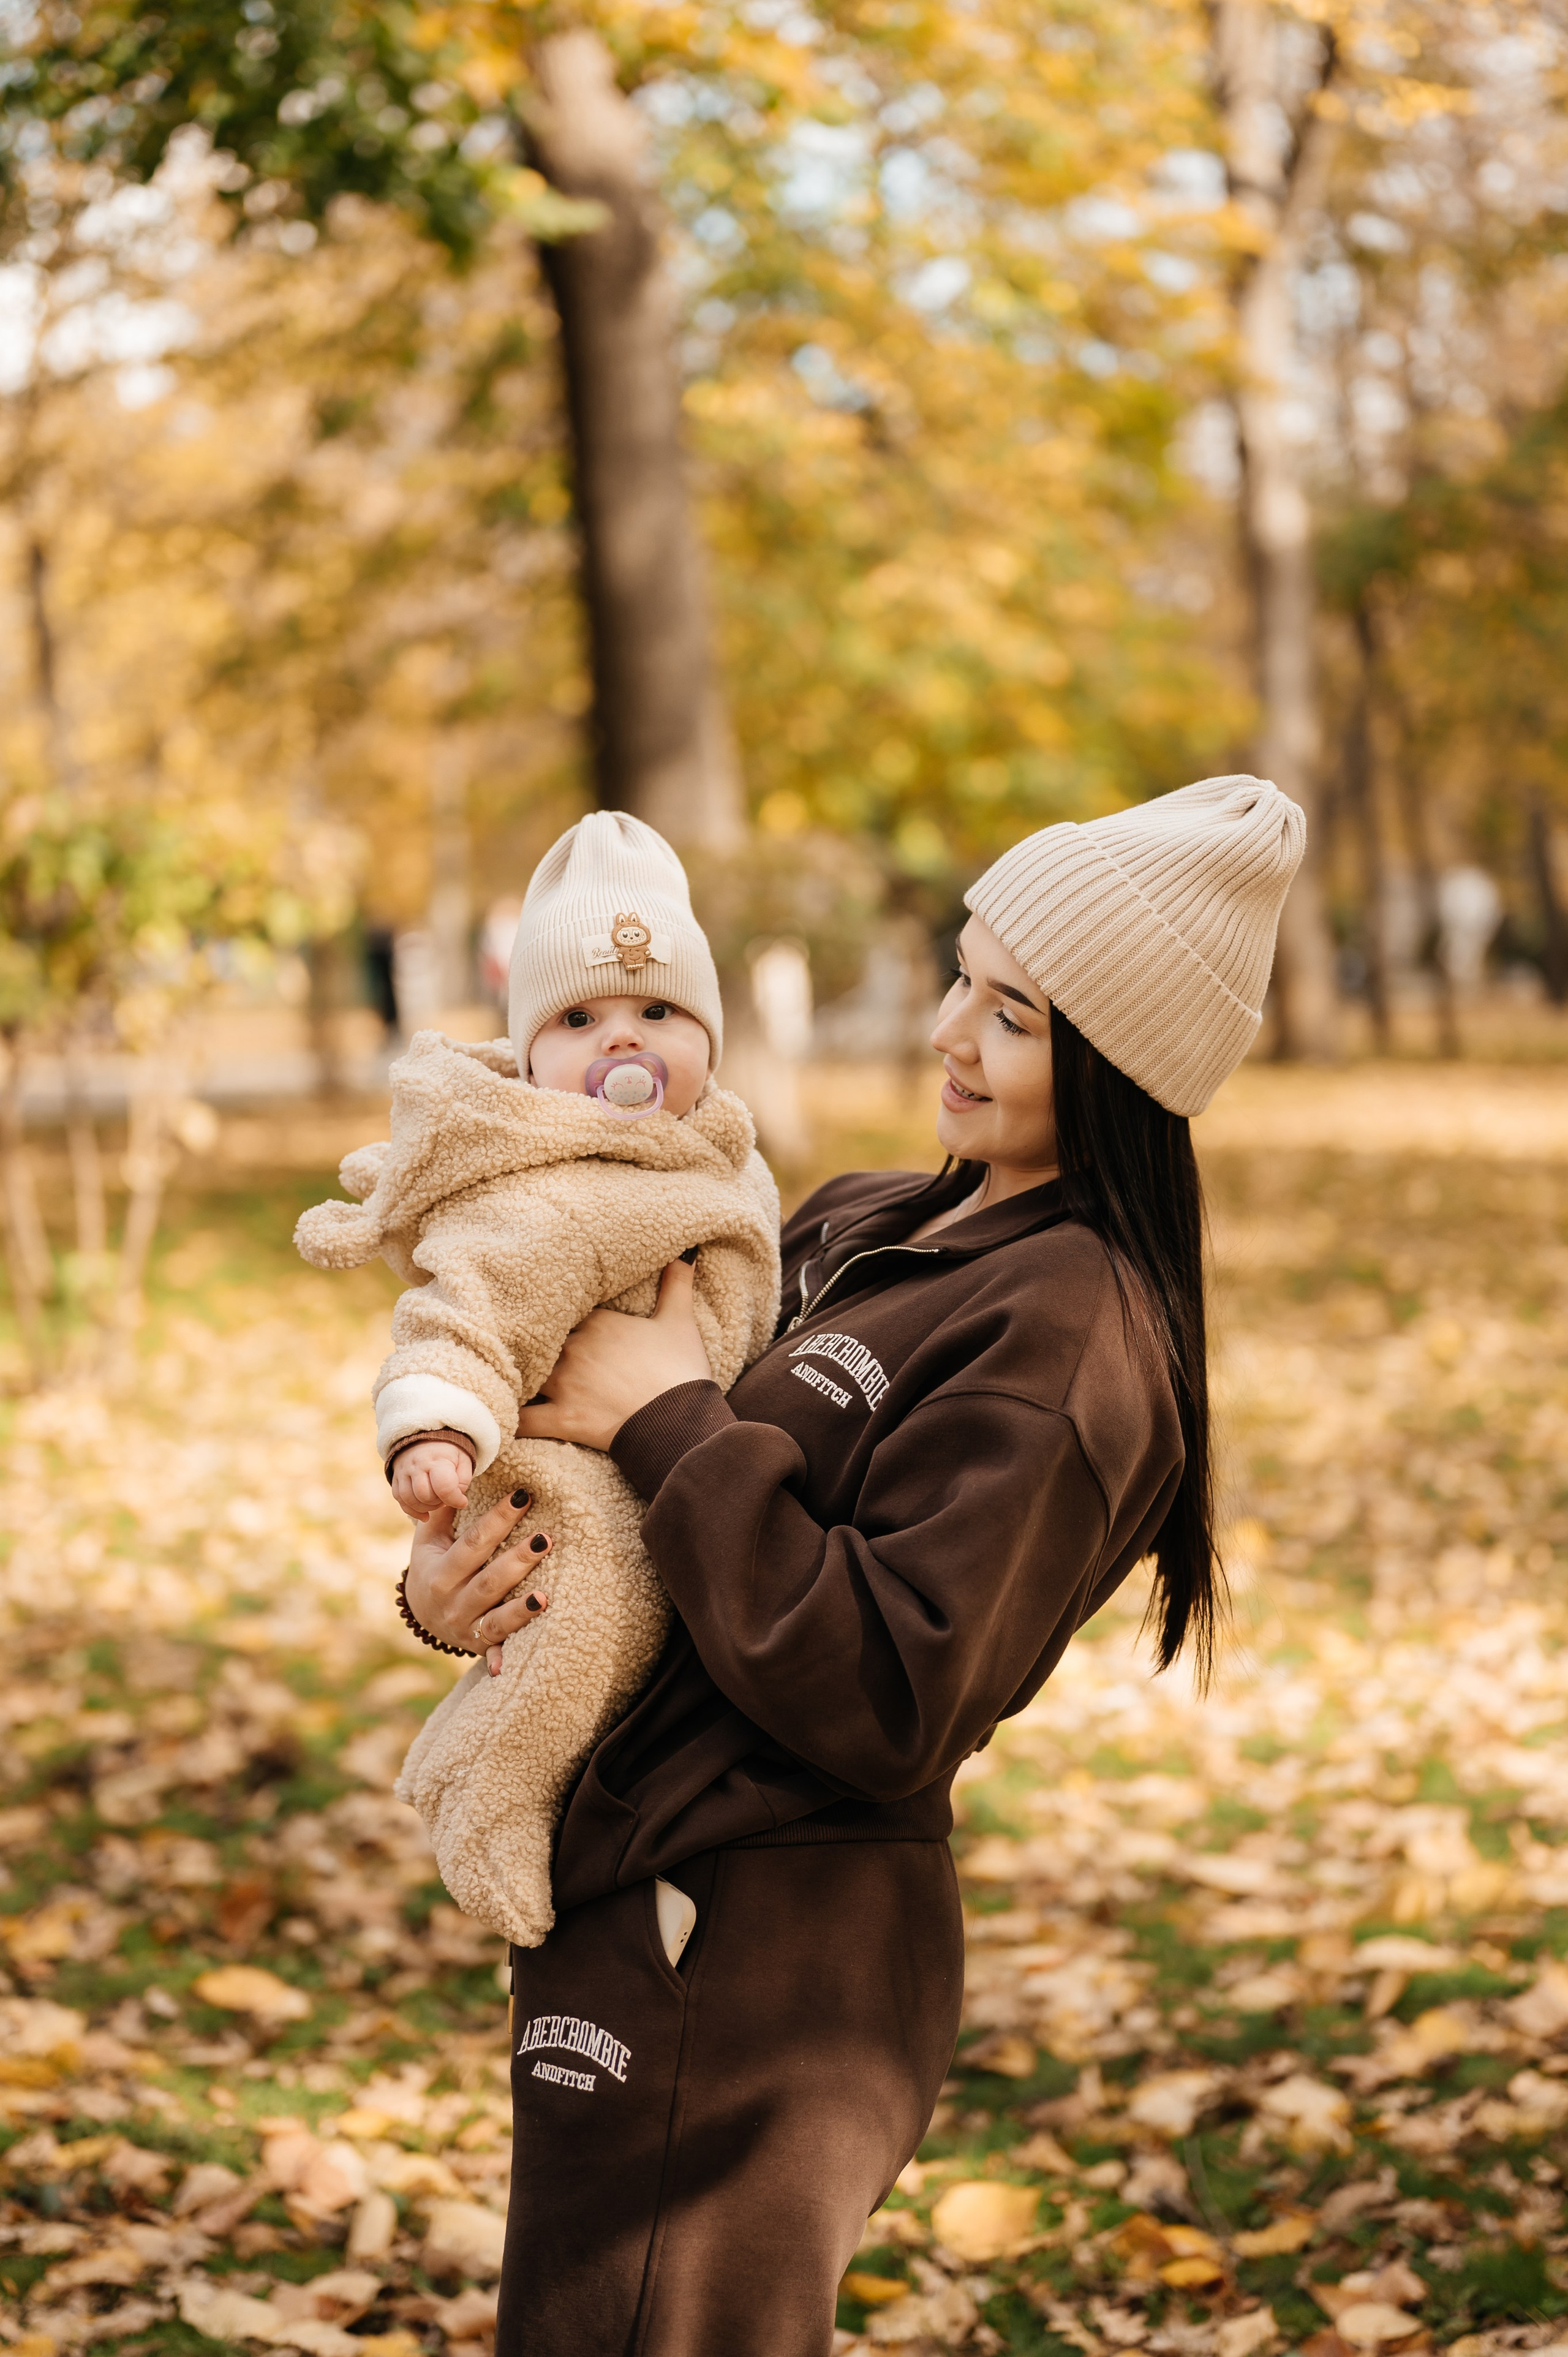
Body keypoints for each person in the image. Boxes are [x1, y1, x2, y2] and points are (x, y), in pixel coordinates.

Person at [403, 774, 1307, 2357]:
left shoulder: (1078, 1338)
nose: (951, 1031)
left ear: (1117, 1066)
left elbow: (893, 1688)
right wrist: (456, 1584)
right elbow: (607, 1498)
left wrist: (671, 1417)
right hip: (629, 1883)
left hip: (771, 1945)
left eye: (1013, 1015)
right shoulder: (856, 1220)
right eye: (964, 974)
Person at [295, 811, 780, 1948]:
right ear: (529, 1057)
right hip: (571, 1483)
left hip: (681, 1466)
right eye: (580, 1020)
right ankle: (491, 1803)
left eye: (660, 1012)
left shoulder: (727, 1158)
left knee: (612, 1657)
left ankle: (505, 1781)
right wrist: (436, 1426)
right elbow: (468, 1306)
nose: (627, 1042)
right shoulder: (552, 1187)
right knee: (579, 1634)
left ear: (711, 1036)